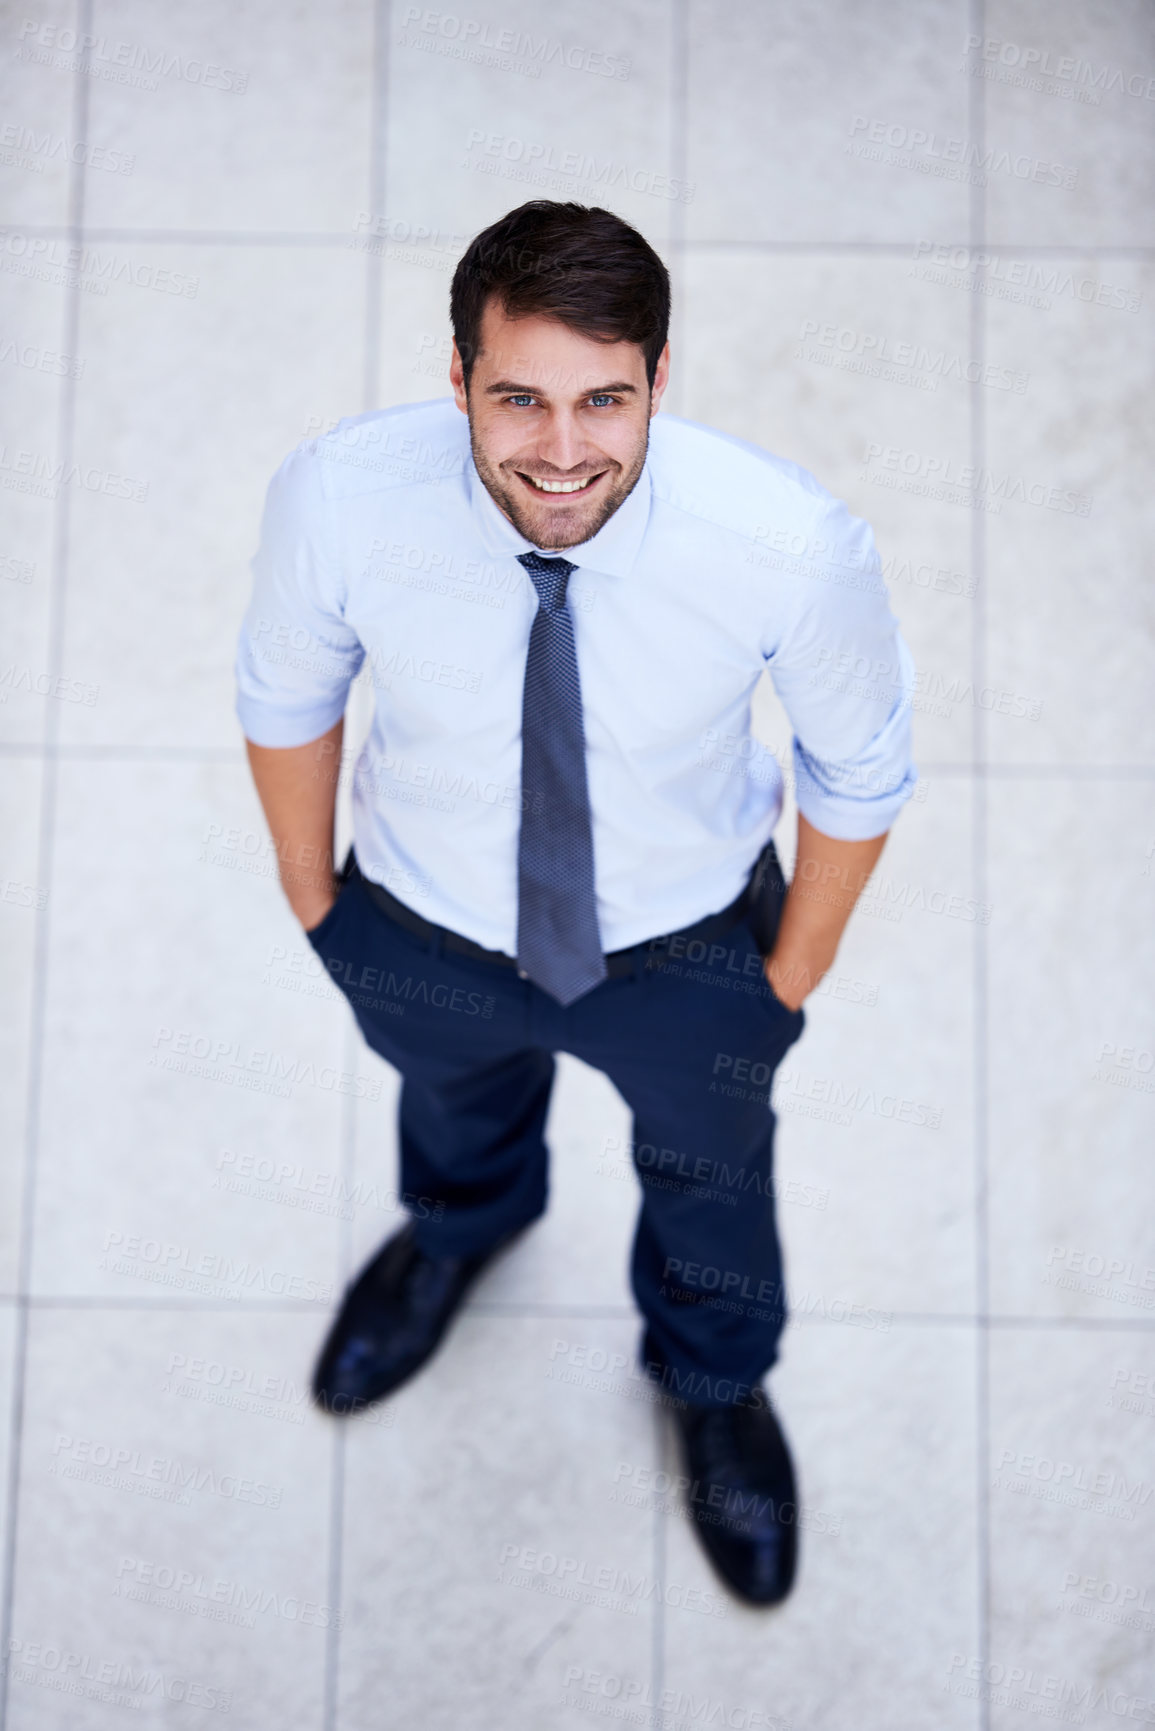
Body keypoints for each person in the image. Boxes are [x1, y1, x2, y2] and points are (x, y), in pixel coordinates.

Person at [235, 199, 916, 1607]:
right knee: (454, 1110)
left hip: (690, 949)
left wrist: (789, 975)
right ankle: (460, 1234)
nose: (561, 449)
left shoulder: (789, 541)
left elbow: (860, 769)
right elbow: (288, 692)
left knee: (712, 1180)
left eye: (606, 398)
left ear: (663, 377)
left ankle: (713, 1381)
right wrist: (317, 903)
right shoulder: (342, 497)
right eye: (519, 398)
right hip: (424, 924)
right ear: (458, 378)